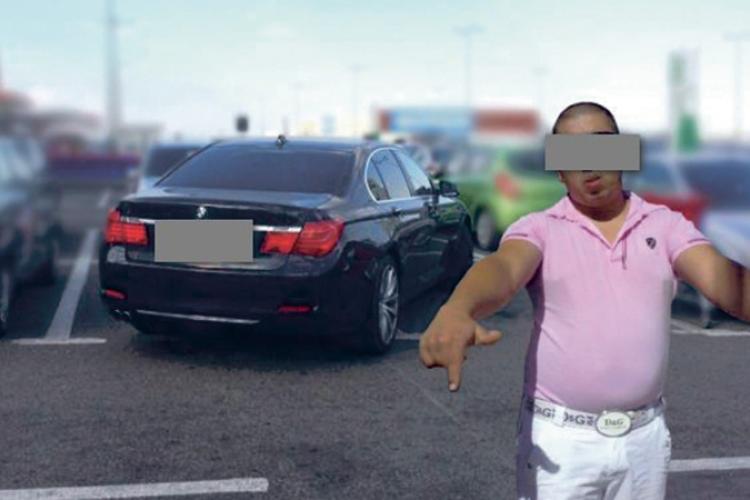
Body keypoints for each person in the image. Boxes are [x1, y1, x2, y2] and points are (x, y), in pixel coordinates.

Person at [419, 101, 750, 500]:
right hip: (561, 444)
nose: (589, 167)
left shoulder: (665, 226)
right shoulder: (541, 229)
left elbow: (725, 282)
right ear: (559, 170)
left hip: (644, 441)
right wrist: (459, 307)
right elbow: (503, 269)